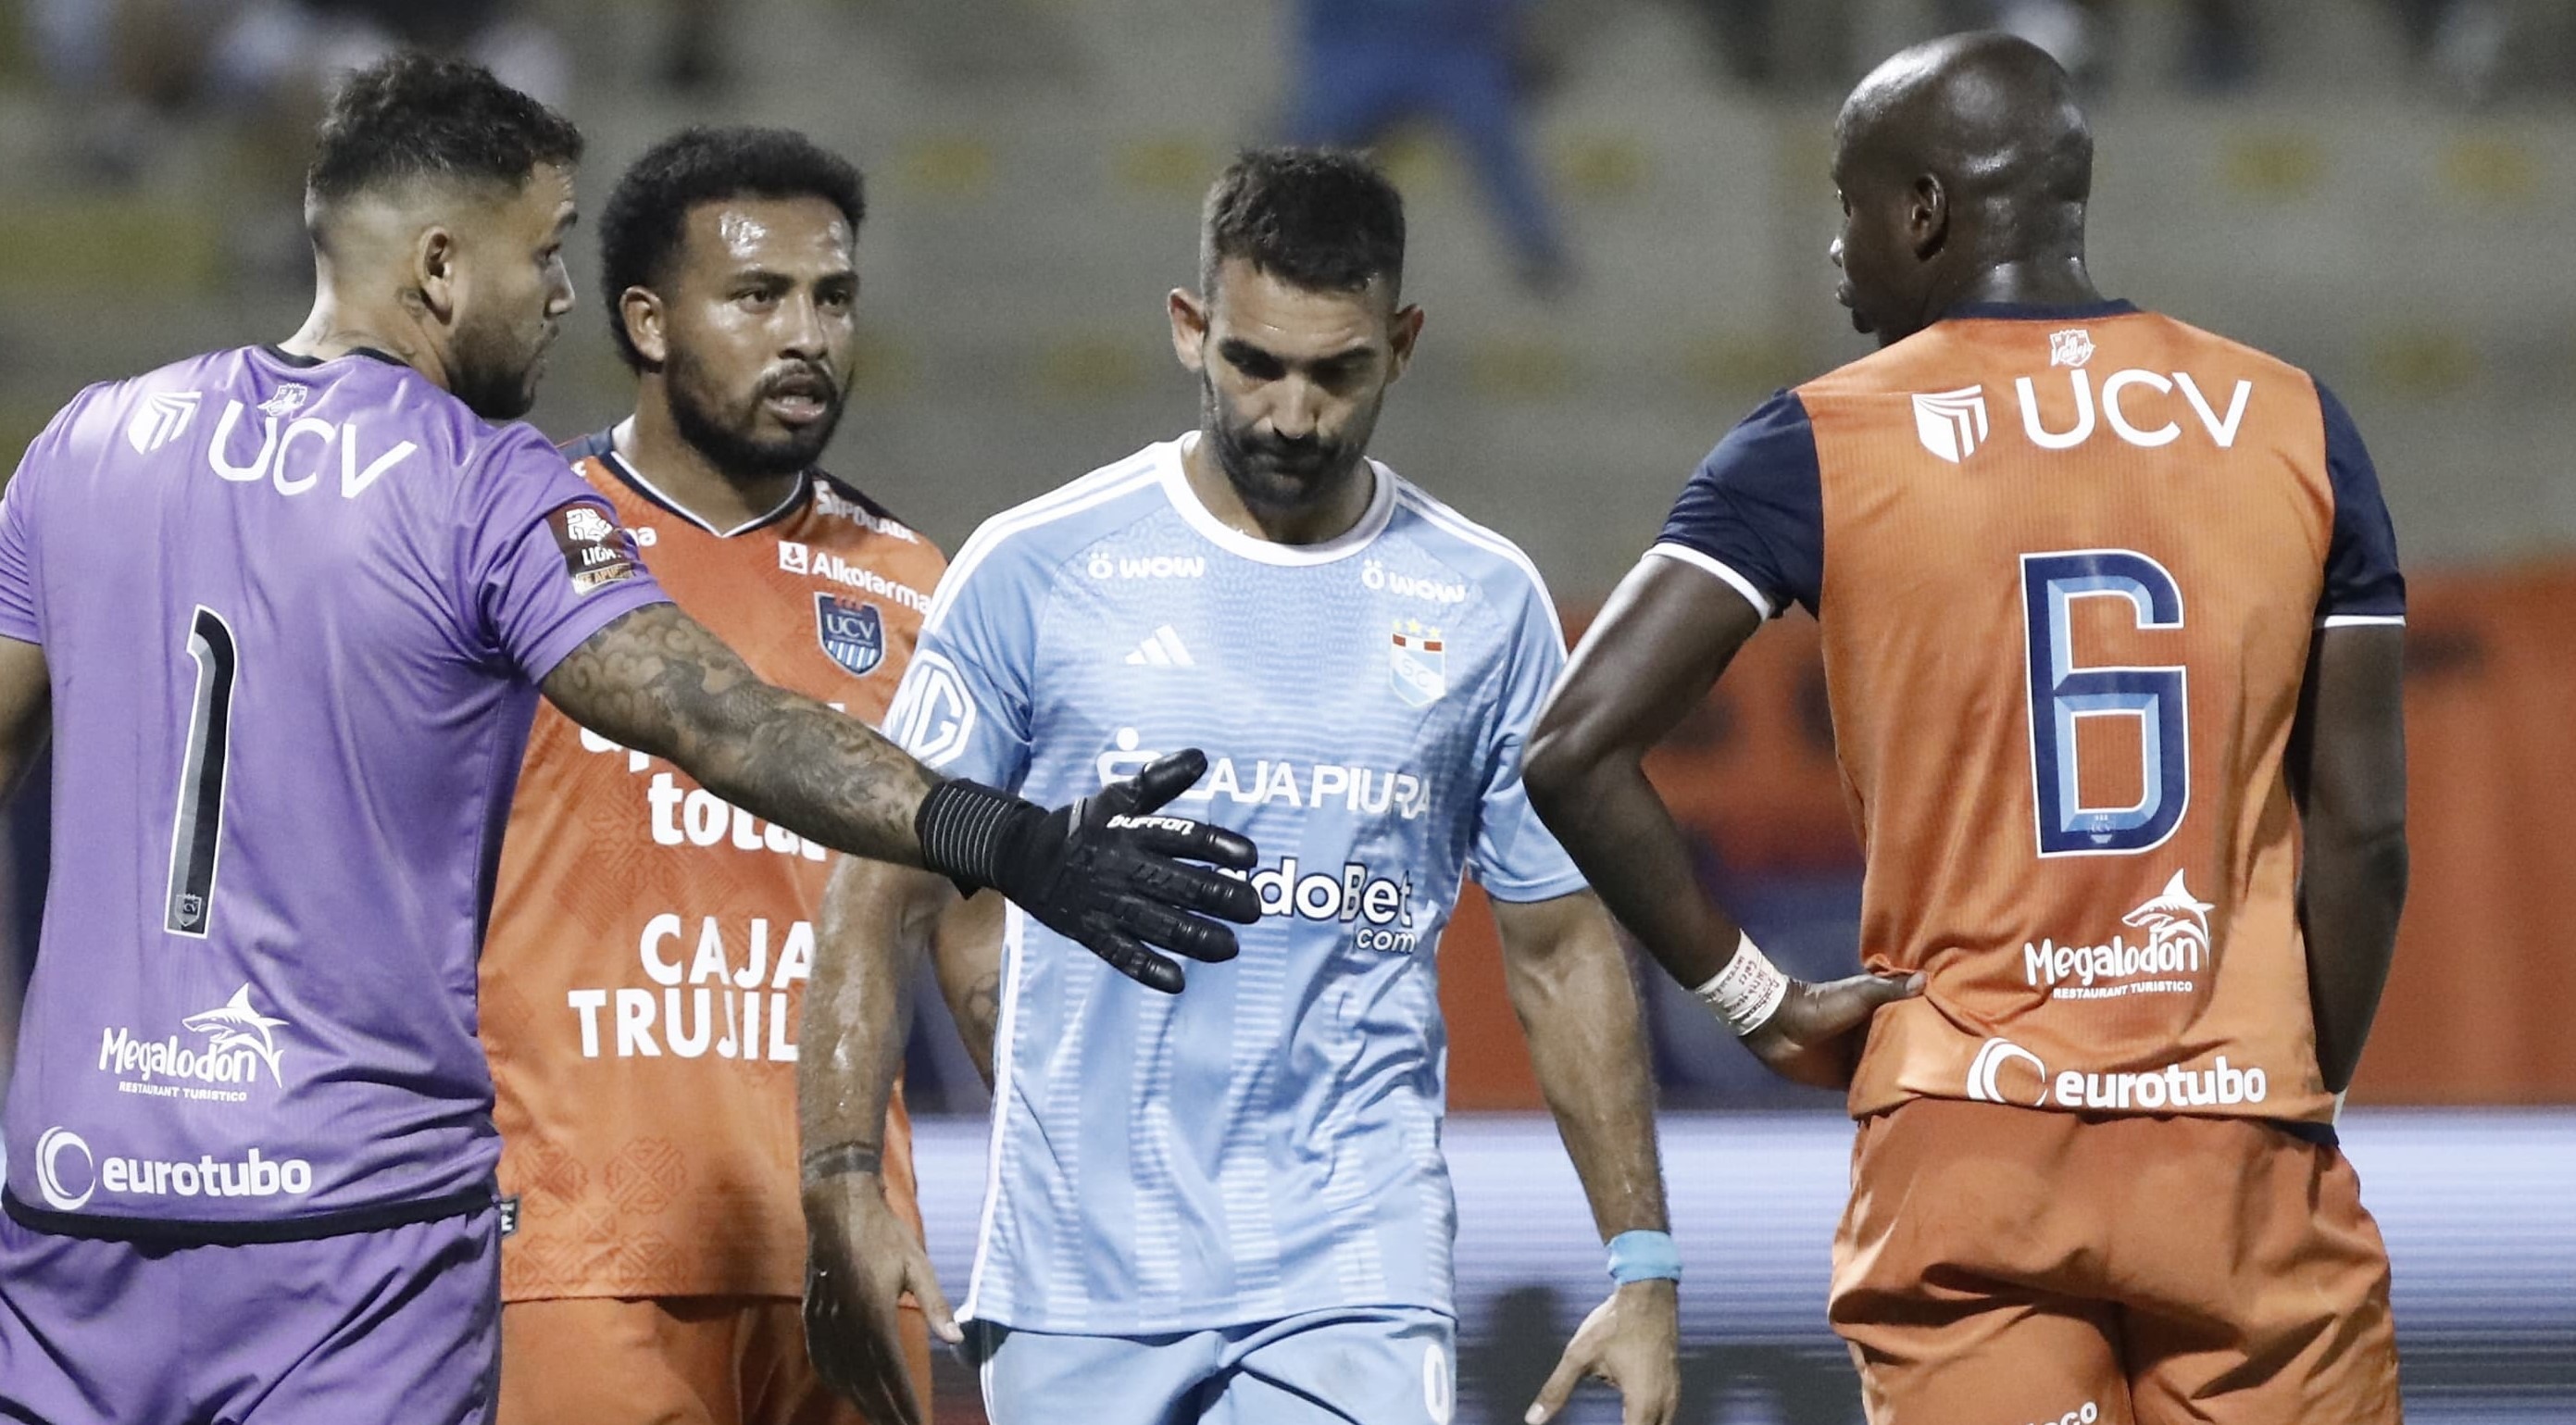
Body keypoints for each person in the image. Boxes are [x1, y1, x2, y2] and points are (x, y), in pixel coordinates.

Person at [0, 56, 1255, 1425]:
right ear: (438, 265)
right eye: (540, 251)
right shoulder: (482, 488)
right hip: (357, 1236)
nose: (557, 295)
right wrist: (997, 833)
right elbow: (714, 714)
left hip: (80, 1211)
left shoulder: (85, 443)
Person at [1522, 31, 2407, 1425]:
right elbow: (2362, 834)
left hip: (1965, 1142)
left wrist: (1760, 1003)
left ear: (1924, 209)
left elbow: (1569, 746)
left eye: (1847, 201)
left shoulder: (1818, 439)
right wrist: (2300, 1094)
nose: (1834, 249)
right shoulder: (2292, 420)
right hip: (2237, 1133)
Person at [801, 147, 1679, 1425]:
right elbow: (877, 894)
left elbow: (1558, 949)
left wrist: (1643, 1266)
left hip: (1354, 1267)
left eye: (1337, 372)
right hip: (1072, 1278)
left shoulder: (1486, 604)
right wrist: (843, 1187)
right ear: (1187, 329)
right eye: (1253, 364)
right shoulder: (1035, 570)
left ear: (1404, 343)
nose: (1290, 414)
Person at [478, 126, 966, 1425]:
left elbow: (979, 944)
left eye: (832, 296)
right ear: (647, 320)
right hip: (580, 1256)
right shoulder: (517, 540)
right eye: (757, 297)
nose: (805, 332)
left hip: (849, 1255)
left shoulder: (915, 586)